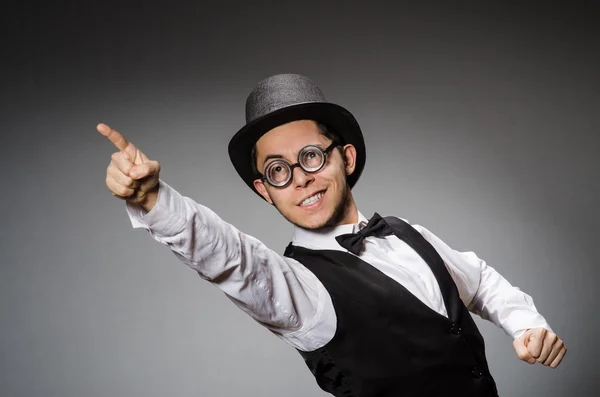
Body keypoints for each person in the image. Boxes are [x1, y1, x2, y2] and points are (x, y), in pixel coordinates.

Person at [98, 74, 566, 397]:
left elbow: (479, 280)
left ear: (346, 158)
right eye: (278, 171)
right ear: (266, 192)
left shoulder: (408, 233)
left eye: (311, 157)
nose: (298, 178)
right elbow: (232, 259)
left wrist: (526, 325)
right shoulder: (298, 290)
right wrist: (154, 201)